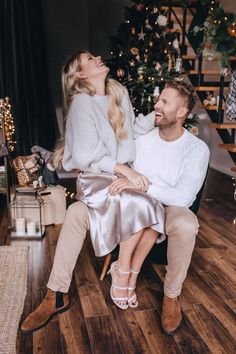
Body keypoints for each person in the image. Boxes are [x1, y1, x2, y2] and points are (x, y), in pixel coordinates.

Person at [21, 51, 164, 333]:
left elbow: (129, 132)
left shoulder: (118, 92)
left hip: (115, 179)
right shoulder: (80, 104)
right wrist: (128, 171)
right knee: (143, 204)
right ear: (81, 74)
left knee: (76, 212)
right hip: (96, 181)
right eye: (89, 58)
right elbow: (87, 155)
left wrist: (155, 117)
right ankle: (62, 292)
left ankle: (67, 291)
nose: (98, 56)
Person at [109, 78, 210, 334]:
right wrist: (133, 185)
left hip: (170, 206)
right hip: (137, 205)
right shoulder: (141, 139)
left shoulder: (196, 149)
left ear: (181, 112)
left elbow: (185, 198)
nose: (157, 105)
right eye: (158, 99)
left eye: (165, 102)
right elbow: (117, 166)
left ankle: (171, 295)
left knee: (187, 224)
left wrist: (142, 185)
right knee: (136, 207)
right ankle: (123, 272)